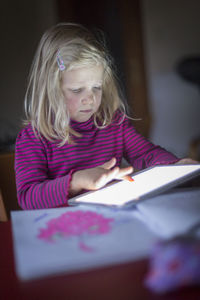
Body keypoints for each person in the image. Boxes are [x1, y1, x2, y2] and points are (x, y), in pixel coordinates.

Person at [15, 23, 195, 210]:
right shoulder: (33, 138)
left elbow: (144, 153)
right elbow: (28, 197)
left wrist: (176, 165)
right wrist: (76, 181)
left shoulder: (113, 122)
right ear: (52, 90)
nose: (90, 99)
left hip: (113, 218)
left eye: (97, 87)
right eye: (77, 90)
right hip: (64, 228)